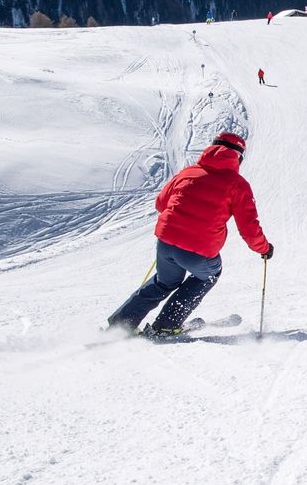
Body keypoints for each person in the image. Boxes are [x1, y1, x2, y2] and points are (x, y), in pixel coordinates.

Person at [107, 133, 273, 336]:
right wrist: (264, 248)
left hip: (166, 242)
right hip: (199, 251)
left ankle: (121, 324)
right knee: (209, 275)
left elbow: (161, 204)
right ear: (238, 157)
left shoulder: (189, 172)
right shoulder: (237, 184)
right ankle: (167, 324)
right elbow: (248, 226)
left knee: (164, 282)